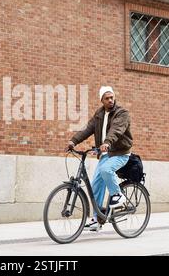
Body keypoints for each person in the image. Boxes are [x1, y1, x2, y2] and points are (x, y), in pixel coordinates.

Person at [66, 86, 133, 231]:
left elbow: (116, 129)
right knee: (96, 187)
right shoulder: (99, 114)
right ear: (101, 100)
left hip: (120, 153)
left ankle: (118, 195)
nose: (110, 100)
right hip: (105, 155)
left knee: (106, 170)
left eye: (112, 97)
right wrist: (73, 141)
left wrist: (107, 143)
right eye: (107, 98)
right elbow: (88, 129)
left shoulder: (122, 113)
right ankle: (97, 220)